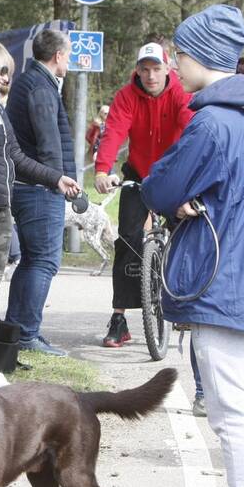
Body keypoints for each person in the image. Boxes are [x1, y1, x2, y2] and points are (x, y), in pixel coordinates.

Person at [142, 4, 244, 487]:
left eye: (180, 52)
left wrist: (169, 197)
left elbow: (159, 186)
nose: (174, 62)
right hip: (238, 276)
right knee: (230, 410)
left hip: (222, 282)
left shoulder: (213, 123)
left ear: (203, 57)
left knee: (231, 414)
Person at [0, 40, 80, 388]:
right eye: (2, 70)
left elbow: (16, 157)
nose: (6, 78)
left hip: (1, 209)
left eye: (8, 71)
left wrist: (56, 178)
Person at [93, 42, 193, 348]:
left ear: (168, 70)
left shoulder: (180, 93)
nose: (150, 75)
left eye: (156, 69)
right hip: (138, 172)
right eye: (145, 69)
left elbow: (191, 129)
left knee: (184, 235)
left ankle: (182, 304)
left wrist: (193, 178)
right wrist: (101, 169)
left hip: (173, 172)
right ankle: (119, 318)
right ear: (137, 70)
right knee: (128, 240)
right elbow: (114, 131)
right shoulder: (127, 96)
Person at [3, 29, 75, 357]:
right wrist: (57, 181)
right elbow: (50, 143)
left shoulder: (30, 82)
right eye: (68, 54)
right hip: (38, 187)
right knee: (43, 261)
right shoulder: (41, 88)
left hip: (28, 184)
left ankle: (18, 329)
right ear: (58, 55)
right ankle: (27, 333)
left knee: (32, 260)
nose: (69, 60)